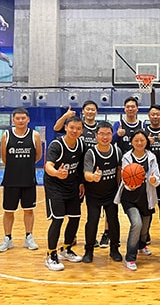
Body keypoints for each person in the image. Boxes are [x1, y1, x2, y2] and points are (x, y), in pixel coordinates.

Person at [53, 101, 110, 248]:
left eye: (93, 109)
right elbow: (56, 128)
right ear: (83, 111)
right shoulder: (76, 126)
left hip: (96, 170)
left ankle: (99, 236)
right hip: (79, 172)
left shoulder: (99, 128)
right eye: (87, 109)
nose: (90, 112)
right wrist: (66, 115)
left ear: (96, 112)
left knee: (97, 208)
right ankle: (72, 236)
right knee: (75, 209)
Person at [0, 107, 42, 253]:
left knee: (28, 210)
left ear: (28, 119)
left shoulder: (35, 135)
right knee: (8, 211)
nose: (21, 121)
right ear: (13, 120)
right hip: (11, 180)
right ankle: (7, 238)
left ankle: (28, 237)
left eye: (23, 118)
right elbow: (4, 158)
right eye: (18, 118)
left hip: (28, 180)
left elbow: (38, 156)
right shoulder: (6, 135)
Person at [114, 130, 160, 271]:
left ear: (146, 141)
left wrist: (154, 180)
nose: (139, 143)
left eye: (142, 140)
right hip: (130, 197)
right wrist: (130, 184)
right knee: (137, 224)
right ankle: (130, 257)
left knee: (145, 229)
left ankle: (141, 245)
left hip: (146, 197)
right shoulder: (127, 157)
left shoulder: (151, 157)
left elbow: (156, 178)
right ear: (132, 142)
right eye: (136, 141)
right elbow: (124, 176)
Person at [43, 115, 85, 271]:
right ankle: (51, 254)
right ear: (66, 128)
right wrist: (56, 173)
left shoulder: (80, 144)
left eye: (78, 128)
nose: (75, 131)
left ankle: (66, 249)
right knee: (58, 219)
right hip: (55, 187)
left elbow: (80, 166)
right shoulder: (57, 145)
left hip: (72, 186)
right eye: (72, 127)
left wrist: (81, 182)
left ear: (82, 130)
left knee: (75, 218)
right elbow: (48, 165)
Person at [82, 121, 123, 264]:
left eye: (108, 134)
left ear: (112, 135)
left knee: (113, 221)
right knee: (92, 222)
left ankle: (114, 249)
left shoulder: (117, 151)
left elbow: (118, 170)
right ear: (96, 135)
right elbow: (86, 173)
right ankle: (89, 250)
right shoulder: (91, 153)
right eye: (101, 134)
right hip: (93, 194)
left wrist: (119, 189)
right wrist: (93, 177)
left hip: (111, 193)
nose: (105, 137)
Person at [145, 104, 160, 230]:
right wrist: (147, 144)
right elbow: (138, 150)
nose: (155, 116)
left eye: (157, 114)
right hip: (147, 176)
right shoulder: (144, 132)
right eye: (153, 114)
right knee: (148, 206)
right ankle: (145, 234)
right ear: (149, 116)